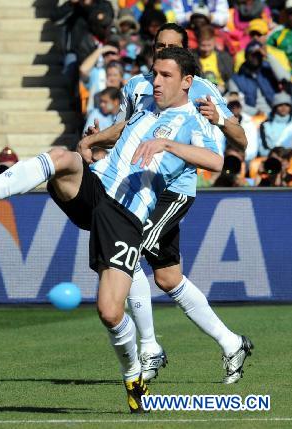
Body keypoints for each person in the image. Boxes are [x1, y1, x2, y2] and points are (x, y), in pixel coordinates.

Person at [0, 47, 224, 413]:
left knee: (109, 312)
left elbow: (216, 160)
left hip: (126, 217)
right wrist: (94, 145)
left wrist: (168, 144)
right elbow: (123, 138)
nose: (156, 81)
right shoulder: (145, 108)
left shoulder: (194, 120)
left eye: (166, 76)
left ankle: (133, 375)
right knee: (63, 158)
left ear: (187, 81)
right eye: (155, 73)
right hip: (97, 189)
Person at [80, 22, 252, 385]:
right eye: (160, 45)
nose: (164, 51)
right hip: (139, 187)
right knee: (167, 276)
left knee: (129, 249)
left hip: (174, 188)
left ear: (186, 56)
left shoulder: (201, 88)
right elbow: (129, 129)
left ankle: (149, 347)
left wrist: (220, 119)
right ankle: (231, 342)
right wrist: (98, 143)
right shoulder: (138, 85)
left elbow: (239, 138)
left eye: (172, 46)